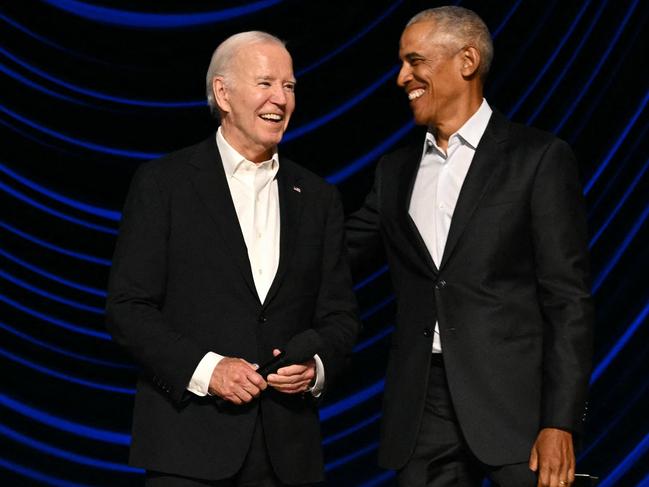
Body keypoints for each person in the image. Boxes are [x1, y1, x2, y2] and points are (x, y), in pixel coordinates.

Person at [346, 7, 594, 487]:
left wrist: (560, 420)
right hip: (423, 408)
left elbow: (568, 300)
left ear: (467, 60)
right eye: (401, 63)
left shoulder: (537, 159)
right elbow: (336, 255)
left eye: (414, 61)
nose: (402, 78)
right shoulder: (394, 172)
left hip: (517, 408)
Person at [107, 31, 359, 486]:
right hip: (188, 448)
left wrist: (315, 367)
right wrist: (209, 369)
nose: (280, 99)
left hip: (288, 456)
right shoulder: (164, 184)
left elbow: (340, 317)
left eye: (290, 86)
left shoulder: (319, 197)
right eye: (265, 83)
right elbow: (128, 309)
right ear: (223, 93)